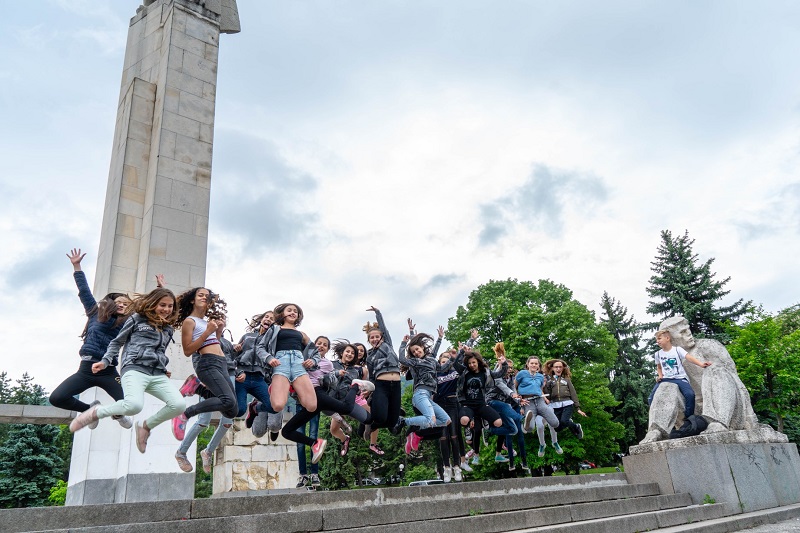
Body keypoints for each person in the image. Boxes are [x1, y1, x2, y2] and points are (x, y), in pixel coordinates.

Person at [70, 288, 185, 456]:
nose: (166, 309)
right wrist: (105, 361)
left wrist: (162, 366)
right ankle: (95, 413)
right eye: (162, 305)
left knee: (179, 405)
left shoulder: (168, 328)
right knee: (133, 406)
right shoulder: (137, 319)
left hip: (157, 373)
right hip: (134, 368)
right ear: (153, 303)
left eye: (170, 306)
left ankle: (145, 427)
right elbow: (117, 342)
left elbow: (159, 350)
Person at [50, 248, 132, 430]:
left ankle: (117, 414)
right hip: (86, 369)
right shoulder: (95, 312)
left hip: (108, 371)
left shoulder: (129, 324)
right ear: (111, 303)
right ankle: (89, 410)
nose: (121, 305)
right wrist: (77, 267)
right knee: (56, 398)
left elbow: (150, 314)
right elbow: (84, 291)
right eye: (119, 301)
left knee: (130, 402)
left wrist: (159, 290)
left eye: (126, 304)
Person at [172, 288, 238, 438]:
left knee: (232, 410)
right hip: (208, 364)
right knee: (227, 401)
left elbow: (213, 343)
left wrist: (218, 332)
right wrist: (208, 332)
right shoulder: (190, 321)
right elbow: (188, 350)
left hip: (222, 363)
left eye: (207, 296)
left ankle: (197, 387)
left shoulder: (206, 322)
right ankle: (185, 414)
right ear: (192, 300)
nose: (204, 298)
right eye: (200, 295)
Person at [175, 317, 237, 473]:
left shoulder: (225, 342)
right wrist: (203, 377)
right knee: (204, 420)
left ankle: (208, 451)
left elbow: (230, 359)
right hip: (210, 374)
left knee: (230, 415)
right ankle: (181, 451)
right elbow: (198, 353)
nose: (220, 320)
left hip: (226, 373)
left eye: (223, 317)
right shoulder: (201, 330)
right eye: (217, 317)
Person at [647, 328, 711, 420]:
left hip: (679, 378)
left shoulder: (677, 350)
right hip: (666, 378)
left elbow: (689, 358)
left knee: (690, 395)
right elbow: (659, 367)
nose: (657, 341)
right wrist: (660, 376)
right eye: (656, 339)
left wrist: (701, 364)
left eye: (659, 338)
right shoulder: (658, 354)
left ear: (667, 338)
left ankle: (688, 418)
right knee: (650, 398)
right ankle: (660, 419)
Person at [363, 306, 402, 455]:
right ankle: (370, 423)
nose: (374, 339)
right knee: (380, 417)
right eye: (371, 338)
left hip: (396, 384)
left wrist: (378, 313)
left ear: (382, 337)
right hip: (381, 385)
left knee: (392, 421)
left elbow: (384, 329)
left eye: (376, 336)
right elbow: (372, 376)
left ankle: (373, 425)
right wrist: (369, 390)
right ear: (369, 340)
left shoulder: (388, 344)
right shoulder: (370, 356)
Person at [395, 332, 452, 433]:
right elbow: (402, 360)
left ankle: (416, 425)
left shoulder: (432, 360)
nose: (416, 352)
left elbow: (442, 369)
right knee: (431, 420)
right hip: (420, 393)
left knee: (446, 420)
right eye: (413, 352)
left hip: (428, 396)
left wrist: (453, 358)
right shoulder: (416, 362)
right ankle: (403, 421)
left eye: (417, 349)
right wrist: (403, 343)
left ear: (422, 347)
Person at [516, 355, 560, 457]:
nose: (534, 365)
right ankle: (524, 421)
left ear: (538, 365)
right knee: (530, 428)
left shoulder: (540, 376)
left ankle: (553, 441)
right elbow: (514, 387)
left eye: (536, 363)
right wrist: (519, 402)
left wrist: (545, 399)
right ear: (528, 364)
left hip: (539, 401)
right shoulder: (522, 373)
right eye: (532, 363)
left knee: (555, 423)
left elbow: (540, 389)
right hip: (528, 401)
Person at [541, 359, 586, 448]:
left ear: (563, 368)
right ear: (552, 368)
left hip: (567, 404)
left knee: (564, 421)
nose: (558, 369)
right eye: (556, 367)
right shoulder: (550, 381)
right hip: (555, 405)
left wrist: (578, 408)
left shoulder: (567, 380)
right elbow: (547, 395)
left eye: (560, 367)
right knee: (557, 428)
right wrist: (544, 385)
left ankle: (575, 426)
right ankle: (570, 423)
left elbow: (573, 393)